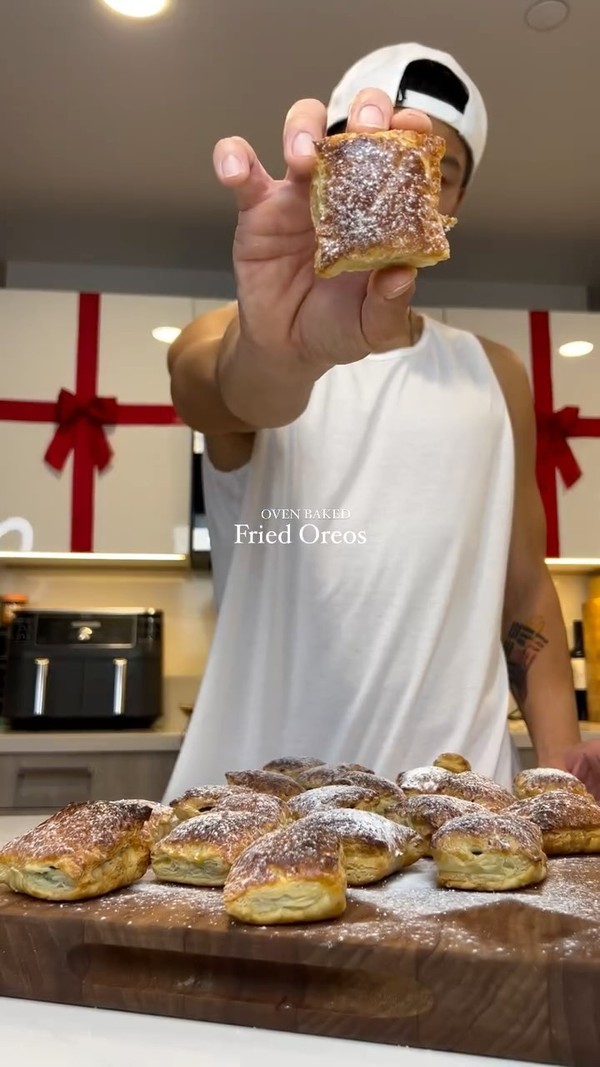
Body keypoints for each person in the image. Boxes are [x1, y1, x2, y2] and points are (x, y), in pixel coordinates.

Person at [165, 42, 587, 797]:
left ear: (451, 202)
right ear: (322, 172)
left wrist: (563, 771)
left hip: (458, 818)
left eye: (440, 167)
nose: (407, 178)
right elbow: (217, 388)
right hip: (259, 818)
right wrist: (280, 356)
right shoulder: (237, 330)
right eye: (372, 152)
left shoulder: (494, 374)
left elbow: (525, 592)